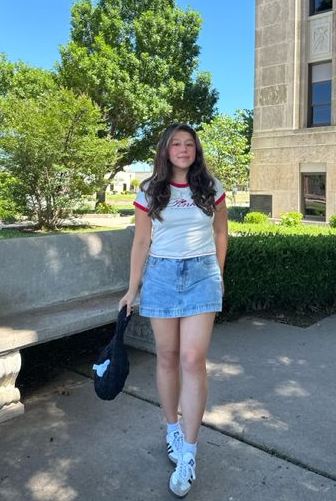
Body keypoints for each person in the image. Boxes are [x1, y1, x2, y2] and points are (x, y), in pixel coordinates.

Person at [119, 123, 228, 498]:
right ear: (166, 151)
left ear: (196, 150)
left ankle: (190, 452)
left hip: (201, 275)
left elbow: (220, 233)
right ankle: (172, 430)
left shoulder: (211, 188)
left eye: (189, 144)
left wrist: (218, 274)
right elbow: (141, 241)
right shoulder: (149, 190)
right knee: (165, 356)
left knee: (192, 358)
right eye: (176, 144)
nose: (183, 149)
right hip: (162, 276)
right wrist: (132, 289)